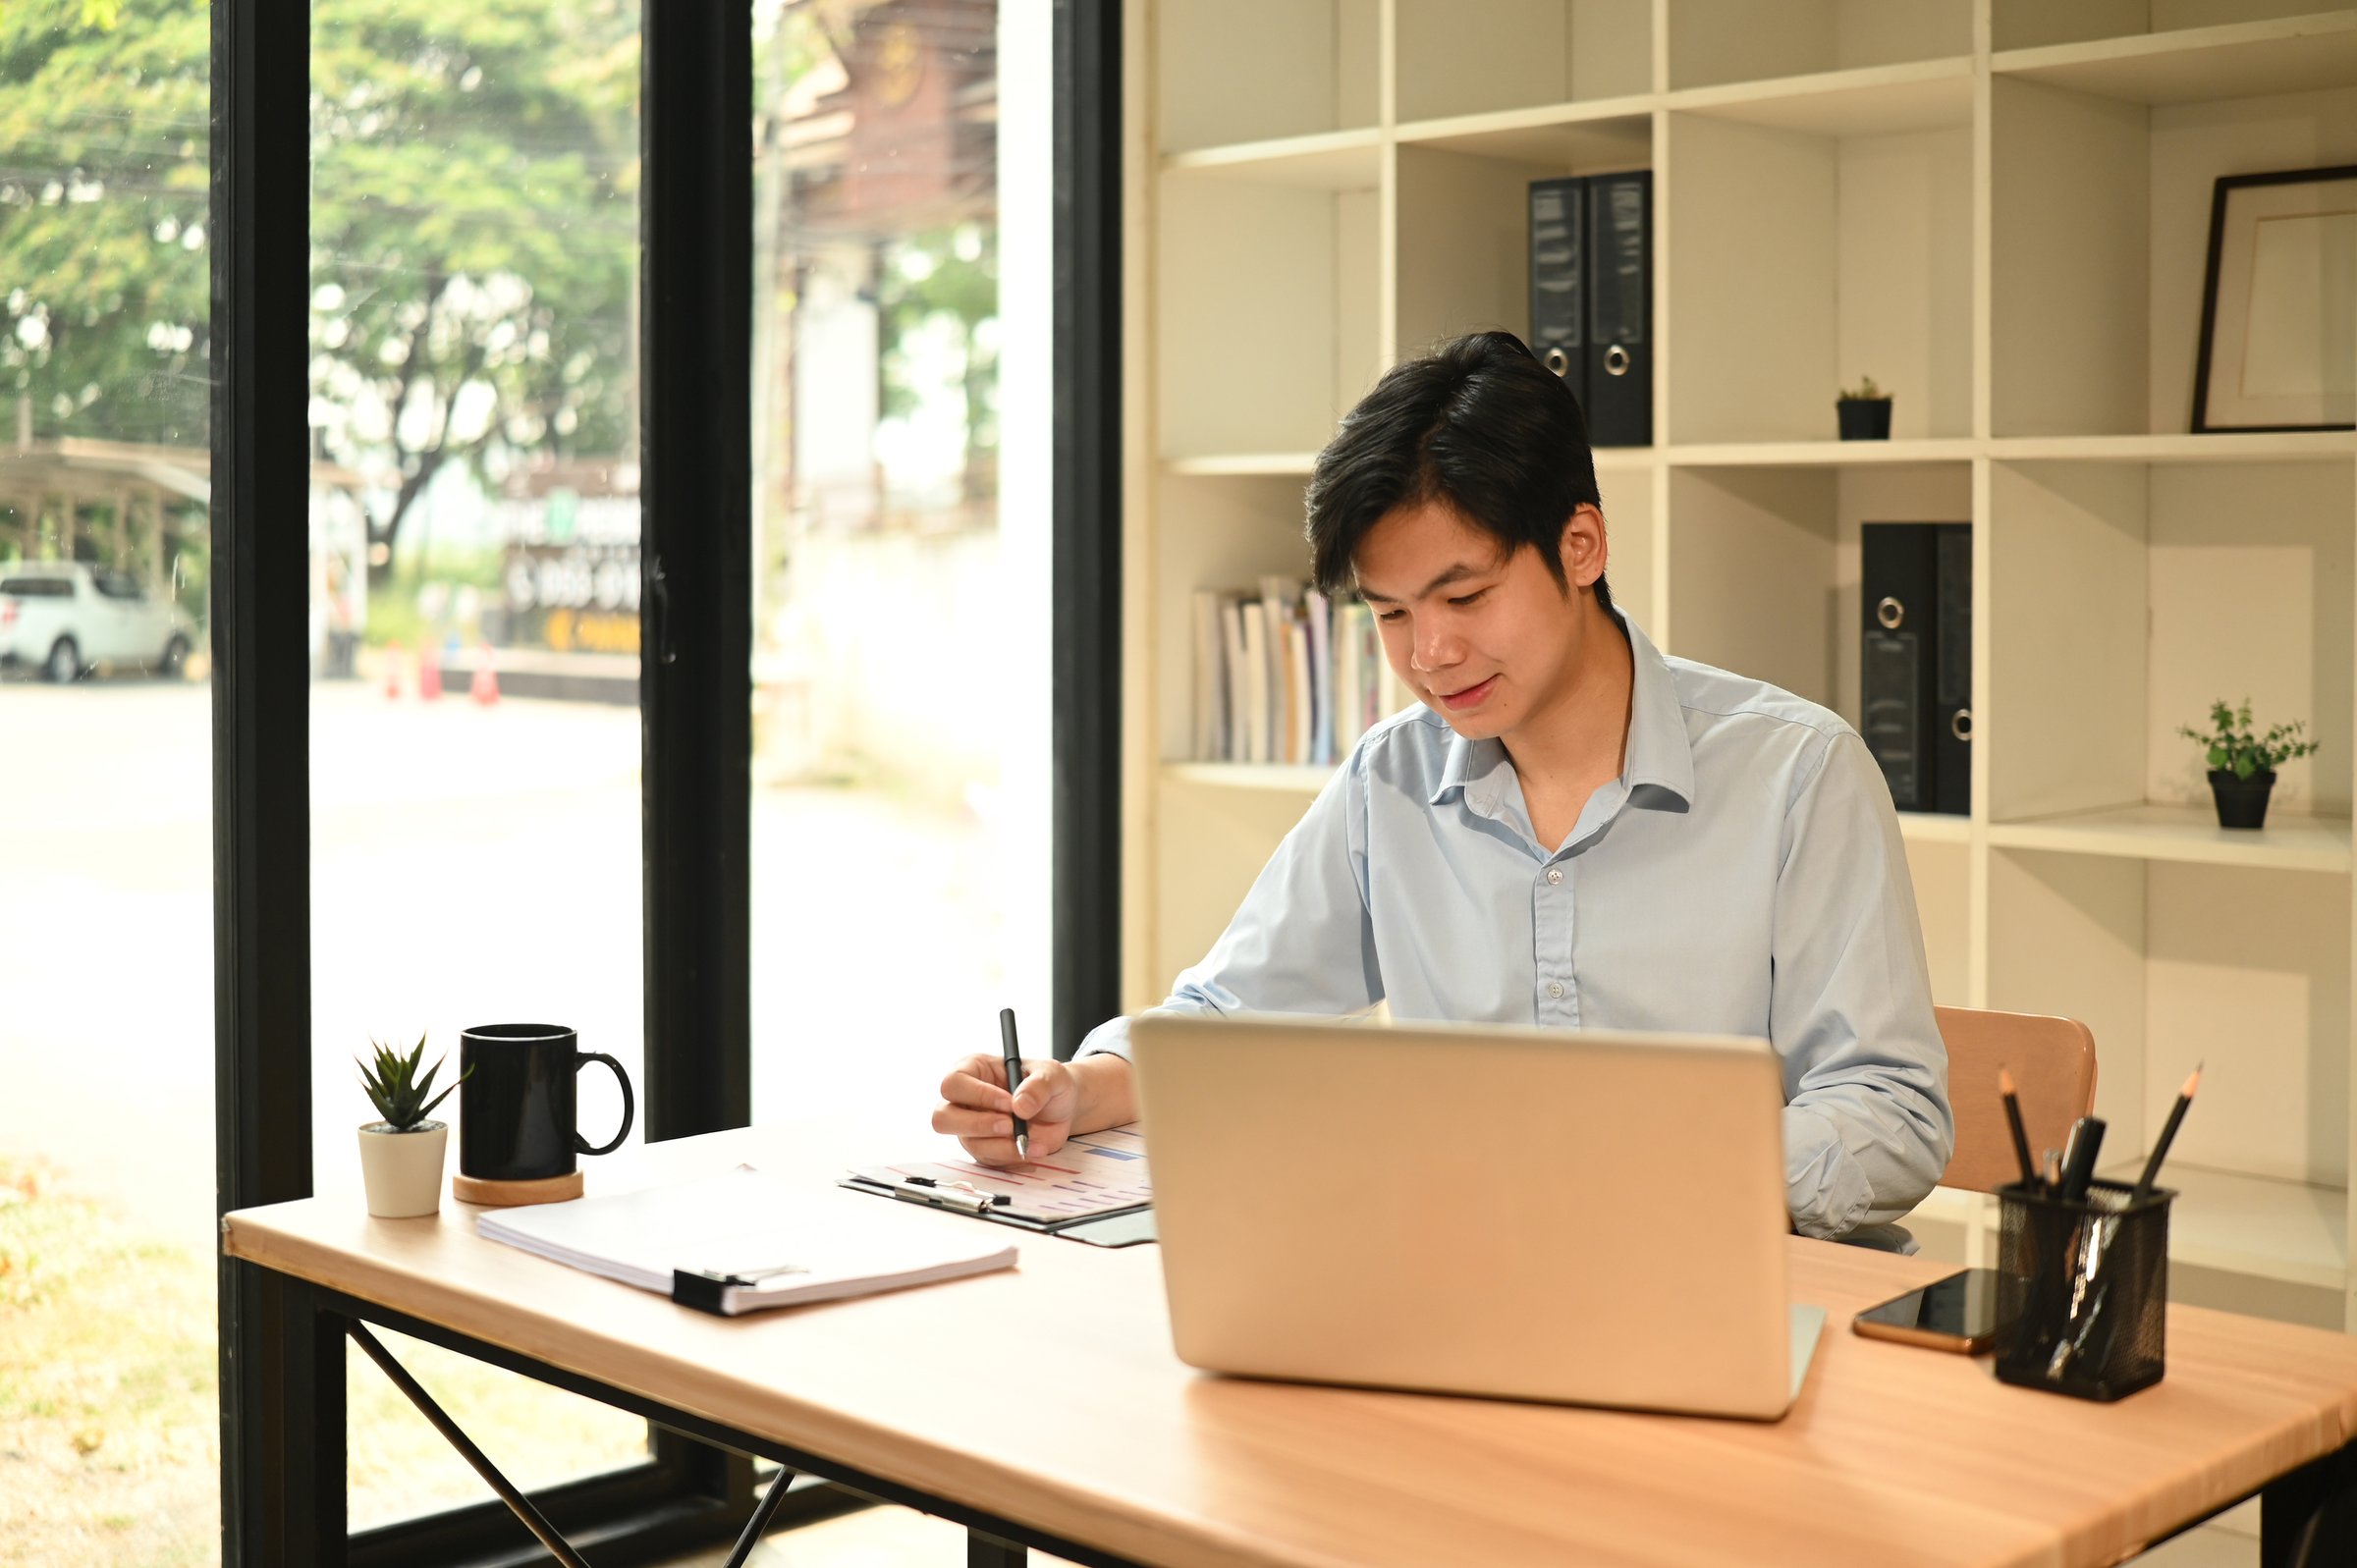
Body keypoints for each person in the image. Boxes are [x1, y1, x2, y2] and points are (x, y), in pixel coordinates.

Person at [932, 330, 1952, 1241]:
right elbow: (1228, 1017)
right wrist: (1076, 1090)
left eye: (1465, 595)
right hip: (1471, 1284)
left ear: (1580, 547)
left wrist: (1635, 1182)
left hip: (1735, 1284)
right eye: (1391, 614)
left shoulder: (1795, 773)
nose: (1431, 654)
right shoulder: (1395, 777)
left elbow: (1893, 1113)